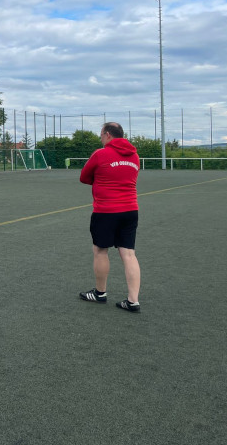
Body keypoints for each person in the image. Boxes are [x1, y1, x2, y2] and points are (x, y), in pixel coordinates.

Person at [78, 122, 142, 313]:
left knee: (100, 250)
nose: (100, 139)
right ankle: (133, 301)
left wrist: (100, 179)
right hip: (130, 210)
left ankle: (100, 293)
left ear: (107, 134)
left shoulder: (100, 154)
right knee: (128, 254)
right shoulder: (135, 156)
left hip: (106, 210)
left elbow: (84, 177)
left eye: (101, 135)